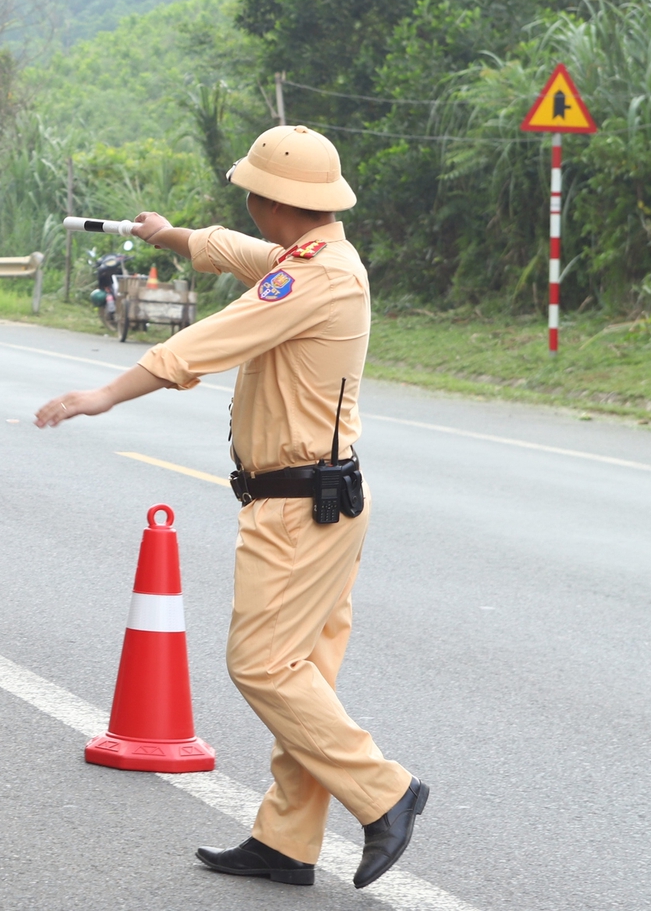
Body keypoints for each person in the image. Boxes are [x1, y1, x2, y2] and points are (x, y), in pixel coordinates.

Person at [34, 125, 425, 891]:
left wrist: (104, 394)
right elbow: (237, 253)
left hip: (300, 507)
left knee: (261, 665)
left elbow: (208, 339)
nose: (246, 205)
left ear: (273, 199)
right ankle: (286, 841)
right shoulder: (319, 259)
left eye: (252, 192)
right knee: (304, 673)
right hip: (321, 496)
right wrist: (170, 236)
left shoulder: (313, 279)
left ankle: (387, 793)